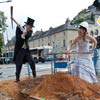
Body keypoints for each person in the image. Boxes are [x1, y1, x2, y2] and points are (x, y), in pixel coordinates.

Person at [13, 17, 36, 82]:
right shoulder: (18, 28)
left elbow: (28, 35)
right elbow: (17, 38)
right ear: (27, 25)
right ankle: (17, 79)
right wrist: (22, 35)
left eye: (31, 27)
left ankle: (34, 76)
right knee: (19, 64)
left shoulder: (30, 31)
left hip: (26, 50)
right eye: (30, 26)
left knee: (32, 62)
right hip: (19, 49)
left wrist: (25, 33)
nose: (31, 28)